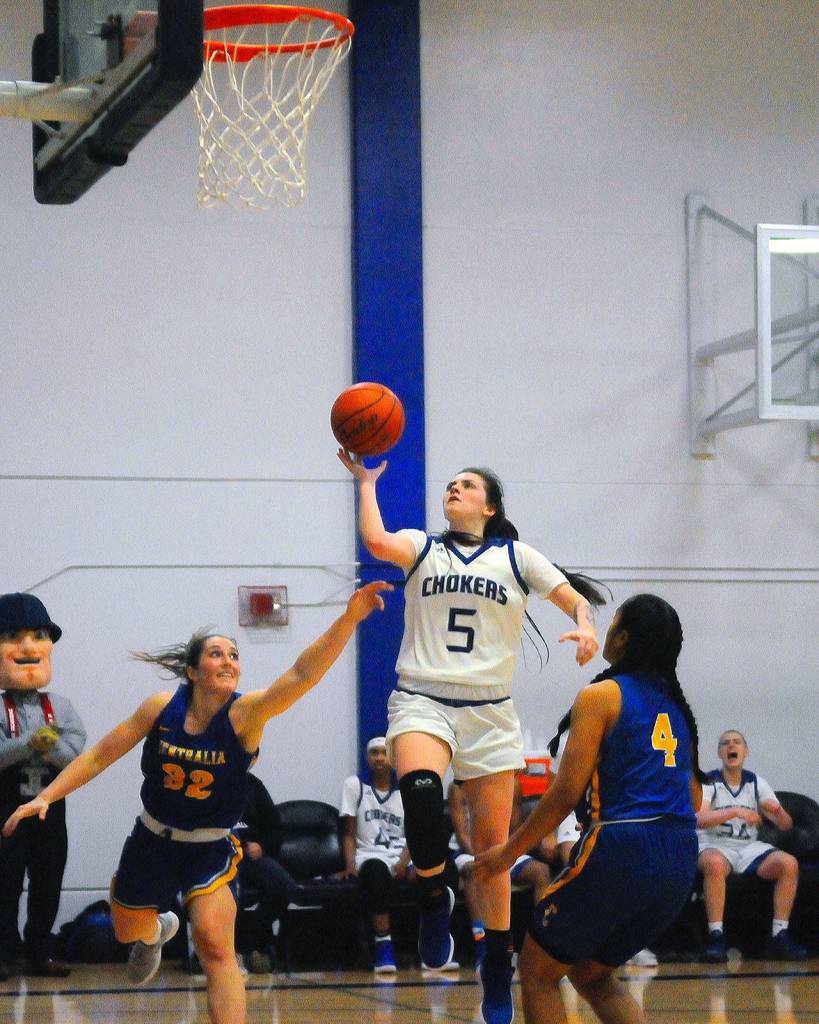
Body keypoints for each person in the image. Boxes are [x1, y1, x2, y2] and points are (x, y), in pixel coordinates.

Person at [3, 581, 389, 1024]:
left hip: (209, 847)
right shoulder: (159, 708)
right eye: (217, 653)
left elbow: (302, 675)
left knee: (215, 944)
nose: (228, 660)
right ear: (192, 670)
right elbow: (97, 755)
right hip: (153, 840)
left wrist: (348, 620)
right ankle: (156, 933)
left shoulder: (247, 715)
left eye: (235, 655)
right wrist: (48, 795)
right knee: (129, 927)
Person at [338, 453, 606, 1024]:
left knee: (493, 856)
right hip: (422, 697)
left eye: (468, 485)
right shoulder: (423, 547)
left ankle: (494, 969)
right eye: (452, 484)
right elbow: (376, 539)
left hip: (489, 710)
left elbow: (573, 597)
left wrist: (585, 625)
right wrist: (365, 484)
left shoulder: (517, 556)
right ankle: (434, 897)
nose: (454, 488)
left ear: (490, 506)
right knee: (417, 790)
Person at [474, 593, 706, 1024]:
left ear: (622, 637)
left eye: (612, 621)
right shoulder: (678, 709)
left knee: (537, 971)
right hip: (680, 857)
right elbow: (694, 799)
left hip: (622, 846)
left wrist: (507, 854)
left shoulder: (601, 695)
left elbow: (564, 795)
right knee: (591, 973)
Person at [0, 592, 87, 979]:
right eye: (14, 635)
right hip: (6, 805)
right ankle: (3, 953)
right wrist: (29, 744)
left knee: (48, 879)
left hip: (50, 805)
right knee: (4, 882)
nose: (28, 646)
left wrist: (50, 753)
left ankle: (39, 952)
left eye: (38, 635)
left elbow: (77, 758)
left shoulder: (62, 706)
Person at [696, 729, 807, 963]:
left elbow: (785, 826)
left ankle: (779, 935)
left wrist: (778, 812)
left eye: (736, 742)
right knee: (714, 864)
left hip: (748, 847)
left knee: (789, 864)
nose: (730, 746)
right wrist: (736, 811)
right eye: (725, 743)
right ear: (719, 753)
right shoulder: (708, 781)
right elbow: (699, 818)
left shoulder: (757, 782)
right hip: (716, 844)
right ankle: (716, 935)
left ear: (745, 752)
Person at [449, 778, 553, 968]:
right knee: (474, 871)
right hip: (468, 851)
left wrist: (504, 854)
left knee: (542, 872)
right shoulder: (457, 786)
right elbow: (462, 832)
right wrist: (484, 858)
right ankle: (481, 941)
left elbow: (515, 826)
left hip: (502, 850)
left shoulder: (511, 783)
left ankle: (543, 941)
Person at [339, 735, 417, 974]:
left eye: (384, 753)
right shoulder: (354, 785)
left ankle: (435, 944)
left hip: (403, 853)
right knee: (375, 871)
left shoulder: (406, 789)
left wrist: (404, 861)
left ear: (392, 758)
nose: (380, 758)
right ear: (367, 758)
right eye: (375, 753)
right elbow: (348, 832)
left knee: (435, 874)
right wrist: (350, 863)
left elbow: (416, 833)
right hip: (370, 854)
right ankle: (384, 945)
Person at [233, 771, 297, 974]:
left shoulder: (254, 786)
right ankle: (230, 951)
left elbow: (275, 829)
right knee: (229, 894)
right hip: (221, 856)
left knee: (284, 886)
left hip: (252, 857)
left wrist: (262, 846)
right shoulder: (209, 779)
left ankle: (248, 943)